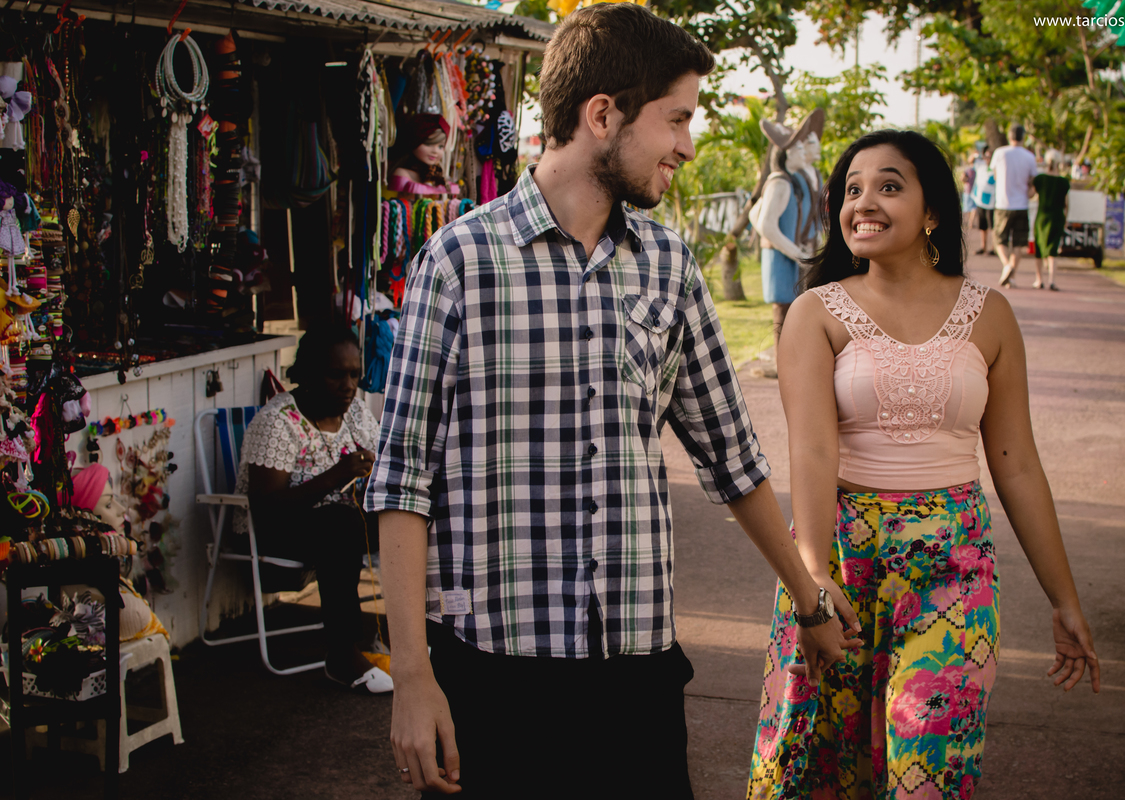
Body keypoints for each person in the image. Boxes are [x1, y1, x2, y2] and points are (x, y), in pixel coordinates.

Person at [364, 4, 857, 797]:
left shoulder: (668, 266)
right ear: (603, 114)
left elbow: (730, 456)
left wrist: (809, 596)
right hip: (490, 676)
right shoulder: (457, 263)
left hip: (636, 675)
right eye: (677, 120)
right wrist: (413, 679)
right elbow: (401, 481)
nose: (688, 147)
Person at [747, 130, 1100, 799]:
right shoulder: (816, 313)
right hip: (842, 559)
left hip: (954, 569)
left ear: (931, 210)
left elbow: (1017, 463)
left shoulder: (989, 314)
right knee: (821, 765)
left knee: (928, 775)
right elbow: (815, 450)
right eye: (851, 189)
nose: (863, 202)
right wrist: (814, 577)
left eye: (887, 185)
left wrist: (1065, 598)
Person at [236, 325, 390, 693]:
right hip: (276, 533)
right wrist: (338, 474)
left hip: (341, 526)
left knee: (409, 517)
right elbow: (267, 507)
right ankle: (342, 655)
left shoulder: (354, 414)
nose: (349, 385)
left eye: (354, 374)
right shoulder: (277, 422)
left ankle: (403, 634)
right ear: (306, 375)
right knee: (339, 524)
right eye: (336, 375)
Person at [752, 110, 826, 361]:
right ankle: (783, 361)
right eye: (795, 150)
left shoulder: (796, 180)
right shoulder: (780, 182)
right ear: (784, 155)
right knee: (782, 309)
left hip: (796, 252)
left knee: (795, 308)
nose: (801, 153)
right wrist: (796, 252)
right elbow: (764, 222)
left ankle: (790, 359)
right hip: (783, 255)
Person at [990, 124, 1038, 287]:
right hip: (1022, 204)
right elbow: (1032, 183)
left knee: (999, 239)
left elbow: (996, 176)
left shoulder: (999, 153)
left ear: (1009, 136)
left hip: (1003, 203)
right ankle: (1012, 278)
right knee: (1018, 242)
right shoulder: (1029, 157)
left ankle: (1006, 265)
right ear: (1023, 137)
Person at [388, 114, 460, 197]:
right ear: (414, 142)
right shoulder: (402, 174)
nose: (435, 151)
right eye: (428, 144)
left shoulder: (434, 176)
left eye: (440, 146)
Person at [1031, 149, 1071, 290]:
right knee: (1053, 249)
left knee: (1040, 249)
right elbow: (1066, 204)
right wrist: (1066, 218)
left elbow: (1031, 194)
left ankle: (1039, 279)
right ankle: (1052, 280)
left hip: (1042, 217)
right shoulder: (1063, 182)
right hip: (1057, 217)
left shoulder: (1040, 179)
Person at [968, 143, 995, 255]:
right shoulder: (980, 165)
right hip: (980, 200)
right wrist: (975, 155)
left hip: (992, 202)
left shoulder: (995, 168)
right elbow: (970, 161)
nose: (987, 159)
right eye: (986, 156)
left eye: (989, 157)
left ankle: (994, 248)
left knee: (992, 226)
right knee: (982, 225)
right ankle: (983, 246)